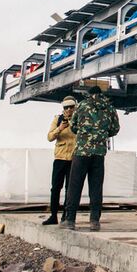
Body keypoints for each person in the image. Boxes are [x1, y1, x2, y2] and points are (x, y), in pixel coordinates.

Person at [64, 85, 120, 231]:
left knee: (74, 186)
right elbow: (115, 129)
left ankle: (70, 220)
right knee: (96, 188)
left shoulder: (82, 106)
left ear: (89, 94)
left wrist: (84, 134)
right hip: (99, 153)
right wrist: (102, 134)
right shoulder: (109, 107)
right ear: (101, 94)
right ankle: (94, 221)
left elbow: (73, 126)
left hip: (81, 152)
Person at [42, 96, 76, 225]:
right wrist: (60, 128)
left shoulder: (79, 119)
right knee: (55, 188)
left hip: (73, 158)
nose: (68, 110)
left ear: (75, 107)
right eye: (66, 107)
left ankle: (66, 215)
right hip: (60, 158)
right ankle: (53, 215)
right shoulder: (58, 119)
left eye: (71, 107)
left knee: (70, 189)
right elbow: (49, 137)